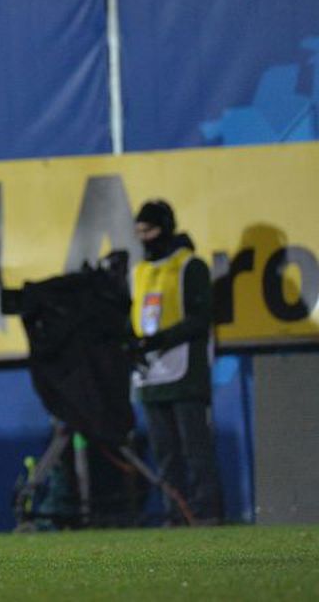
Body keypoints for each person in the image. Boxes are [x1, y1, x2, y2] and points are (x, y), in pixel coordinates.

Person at [130, 198, 222, 525]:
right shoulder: (139, 272)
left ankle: (207, 513)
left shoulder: (190, 266)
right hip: (151, 376)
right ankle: (177, 514)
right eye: (138, 231)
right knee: (165, 454)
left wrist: (160, 340)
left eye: (149, 230)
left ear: (165, 229)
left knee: (196, 450)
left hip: (186, 373)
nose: (143, 238)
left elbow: (200, 319)